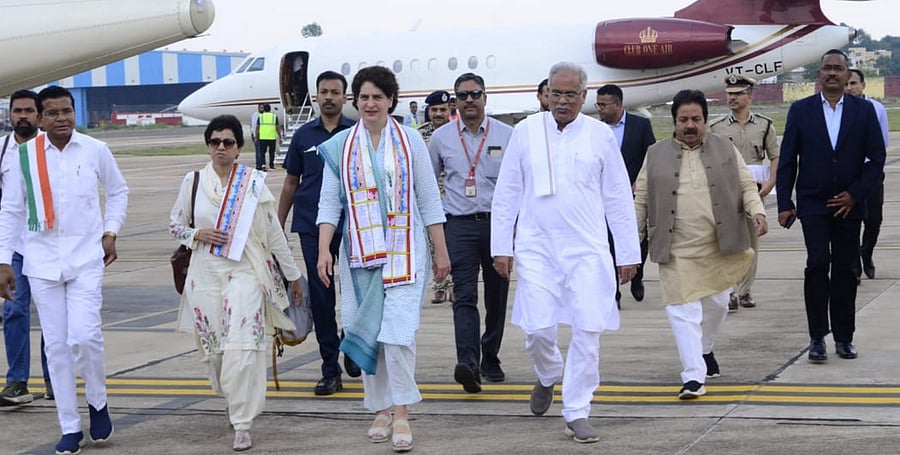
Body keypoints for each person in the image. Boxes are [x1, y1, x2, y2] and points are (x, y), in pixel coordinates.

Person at [491, 62, 640, 443]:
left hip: (587, 249)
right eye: (555, 93)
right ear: (545, 95)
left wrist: (627, 252)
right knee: (539, 328)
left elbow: (618, 196)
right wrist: (501, 247)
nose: (562, 101)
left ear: (583, 97)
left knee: (588, 330)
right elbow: (506, 194)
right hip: (536, 247)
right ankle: (547, 375)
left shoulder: (599, 135)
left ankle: (577, 410)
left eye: (570, 94)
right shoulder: (526, 132)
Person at [317, 66, 449, 453]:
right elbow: (329, 204)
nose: (370, 103)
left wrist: (441, 250)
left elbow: (428, 199)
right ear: (353, 101)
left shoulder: (411, 141)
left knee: (398, 335)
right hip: (359, 256)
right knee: (370, 332)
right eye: (363, 97)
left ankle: (402, 412)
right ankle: (380, 408)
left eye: (378, 96)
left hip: (407, 253)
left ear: (391, 100)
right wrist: (324, 248)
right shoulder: (340, 146)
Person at [0, 85, 128, 454]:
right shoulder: (26, 157)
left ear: (75, 112)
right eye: (53, 113)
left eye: (67, 111)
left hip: (87, 258)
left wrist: (111, 230)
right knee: (56, 346)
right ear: (40, 118)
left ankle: (98, 401)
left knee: (85, 337)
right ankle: (70, 426)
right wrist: (4, 260)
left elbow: (118, 191)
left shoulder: (94, 150)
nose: (62, 119)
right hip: (41, 263)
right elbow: (10, 211)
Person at [169, 114, 304, 451]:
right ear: (208, 145)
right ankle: (233, 400)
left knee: (243, 345)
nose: (221, 148)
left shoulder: (253, 183)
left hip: (245, 270)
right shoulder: (194, 182)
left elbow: (274, 234)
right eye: (215, 142)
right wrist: (196, 233)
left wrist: (293, 274)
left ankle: (242, 422)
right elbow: (174, 225)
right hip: (205, 273)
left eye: (228, 142)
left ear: (239, 148)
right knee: (215, 353)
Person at [634, 89, 767, 399]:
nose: (690, 125)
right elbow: (640, 197)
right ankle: (694, 376)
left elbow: (747, 185)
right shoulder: (655, 153)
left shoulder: (725, 148)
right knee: (683, 312)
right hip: (676, 249)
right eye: (683, 120)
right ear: (674, 122)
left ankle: (705, 348)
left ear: (706, 120)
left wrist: (757, 212)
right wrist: (632, 240)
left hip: (718, 246)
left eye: (696, 119)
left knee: (718, 305)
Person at [777, 49, 885, 363]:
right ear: (819, 75)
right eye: (827, 68)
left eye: (839, 69)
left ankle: (844, 337)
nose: (833, 73)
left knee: (846, 268)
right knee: (817, 263)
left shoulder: (863, 112)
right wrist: (785, 201)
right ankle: (817, 338)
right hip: (813, 202)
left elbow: (876, 160)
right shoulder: (801, 110)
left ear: (847, 74)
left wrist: (856, 194)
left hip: (850, 205)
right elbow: (788, 160)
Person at [276, 70, 361, 396]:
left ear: (344, 97)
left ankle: (353, 343)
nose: (329, 97)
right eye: (323, 91)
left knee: (358, 292)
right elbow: (290, 184)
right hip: (311, 226)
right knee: (323, 300)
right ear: (316, 96)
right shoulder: (302, 136)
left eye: (334, 92)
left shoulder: (355, 134)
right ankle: (330, 369)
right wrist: (278, 226)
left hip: (351, 225)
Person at [429, 73, 513, 393]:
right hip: (459, 224)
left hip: (496, 224)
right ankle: (469, 363)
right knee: (463, 296)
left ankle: (490, 354)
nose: (469, 100)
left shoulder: (507, 135)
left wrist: (514, 229)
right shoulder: (441, 138)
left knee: (496, 295)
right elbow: (428, 182)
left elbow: (518, 183)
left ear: (485, 97)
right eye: (462, 95)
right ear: (455, 101)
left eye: (475, 94)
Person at [709, 74, 779, 311]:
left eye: (738, 94)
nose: (732, 98)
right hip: (725, 188)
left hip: (754, 188)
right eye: (729, 94)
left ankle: (745, 289)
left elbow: (775, 155)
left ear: (749, 96)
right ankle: (729, 291)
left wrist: (771, 181)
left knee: (750, 242)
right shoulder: (717, 126)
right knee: (727, 241)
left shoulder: (764, 125)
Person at [0, 89, 52, 406]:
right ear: (10, 116)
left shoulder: (51, 150)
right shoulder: (2, 150)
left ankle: (53, 379)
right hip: (14, 246)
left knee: (51, 314)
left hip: (46, 244)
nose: (22, 116)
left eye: (28, 111)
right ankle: (18, 382)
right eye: (17, 110)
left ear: (39, 115)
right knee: (14, 311)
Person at [595, 84, 655, 304]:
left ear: (618, 104)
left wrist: (638, 183)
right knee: (609, 241)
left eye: (604, 104)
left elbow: (651, 157)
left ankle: (637, 276)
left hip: (635, 194)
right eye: (598, 104)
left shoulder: (640, 125)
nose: (599, 109)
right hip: (605, 197)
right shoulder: (596, 130)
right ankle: (615, 292)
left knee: (639, 239)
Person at [846, 68, 889, 281]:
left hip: (870, 172)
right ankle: (853, 264)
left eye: (854, 83)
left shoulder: (877, 108)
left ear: (863, 85)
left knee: (874, 220)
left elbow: (882, 143)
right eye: (847, 83)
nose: (850, 88)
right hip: (849, 174)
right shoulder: (840, 110)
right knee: (852, 220)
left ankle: (867, 252)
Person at [417, 90, 455, 304]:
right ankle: (440, 286)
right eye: (434, 110)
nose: (438, 114)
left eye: (442, 109)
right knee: (434, 246)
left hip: (454, 198)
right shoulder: (419, 135)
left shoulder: (457, 133)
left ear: (450, 109)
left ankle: (456, 284)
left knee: (456, 245)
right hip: (431, 199)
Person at [255, 104, 281, 170]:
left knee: (262, 152)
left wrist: (256, 137)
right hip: (272, 137)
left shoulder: (260, 117)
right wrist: (280, 136)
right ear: (270, 109)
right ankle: (271, 165)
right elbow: (277, 127)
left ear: (264, 109)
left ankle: (263, 164)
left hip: (263, 137)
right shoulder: (274, 116)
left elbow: (257, 128)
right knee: (272, 152)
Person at [250, 103, 264, 167]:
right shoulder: (255, 115)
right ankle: (258, 165)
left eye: (263, 108)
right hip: (257, 135)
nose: (262, 109)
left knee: (262, 151)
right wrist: (255, 136)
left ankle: (261, 164)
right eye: (261, 108)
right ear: (258, 108)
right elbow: (253, 126)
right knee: (258, 151)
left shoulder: (265, 115)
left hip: (263, 135)